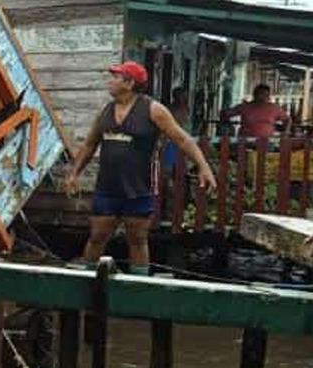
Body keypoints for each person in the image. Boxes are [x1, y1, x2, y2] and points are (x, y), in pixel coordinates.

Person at [65, 61, 217, 274]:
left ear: (129, 83)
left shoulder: (153, 109)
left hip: (138, 187)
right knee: (97, 236)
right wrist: (74, 174)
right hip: (107, 188)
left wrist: (203, 166)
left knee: (137, 240)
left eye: (116, 77)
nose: (111, 81)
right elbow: (90, 144)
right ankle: (86, 284)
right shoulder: (106, 111)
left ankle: (138, 286)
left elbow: (182, 139)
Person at [220, 84, 290, 138]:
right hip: (245, 141)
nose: (263, 97)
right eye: (261, 94)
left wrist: (285, 132)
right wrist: (228, 126)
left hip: (266, 142)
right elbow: (224, 114)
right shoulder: (245, 107)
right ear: (255, 94)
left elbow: (288, 120)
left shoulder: (274, 108)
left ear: (268, 96)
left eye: (266, 95)